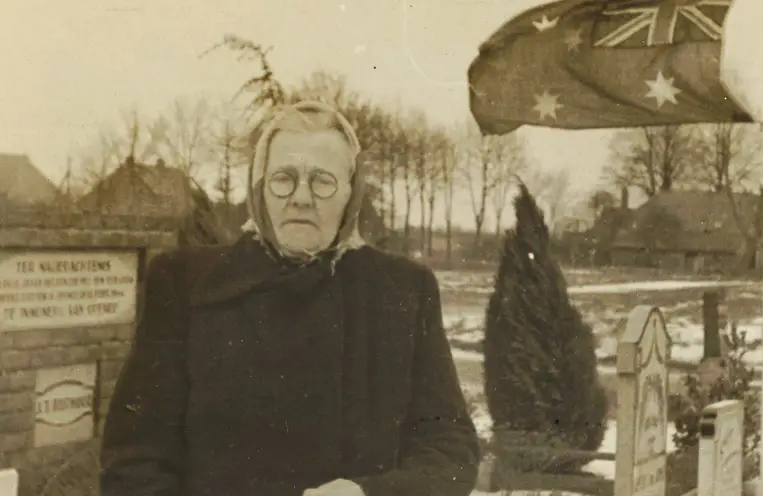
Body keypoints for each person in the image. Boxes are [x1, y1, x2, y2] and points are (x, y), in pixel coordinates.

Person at [99, 100, 480, 496]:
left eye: (322, 181)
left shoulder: (402, 291)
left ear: (350, 194)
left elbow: (450, 452)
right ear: (260, 190)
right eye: (284, 178)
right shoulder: (185, 285)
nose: (301, 197)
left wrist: (370, 494)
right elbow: (135, 460)